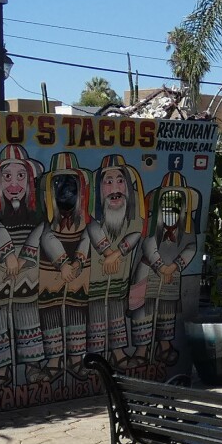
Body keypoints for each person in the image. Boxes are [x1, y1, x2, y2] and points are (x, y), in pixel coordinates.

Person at [0, 145, 48, 386]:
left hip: (27, 270)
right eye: (6, 177)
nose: (14, 184)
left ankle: (32, 366)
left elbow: (40, 230)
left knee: (28, 316)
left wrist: (23, 257)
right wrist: (8, 254)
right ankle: (0, 371)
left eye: (21, 176)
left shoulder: (37, 208)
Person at [83, 154, 147, 364]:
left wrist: (117, 253)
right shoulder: (93, 217)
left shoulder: (133, 215)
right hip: (95, 281)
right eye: (108, 182)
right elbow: (93, 230)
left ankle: (118, 355)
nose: (115, 189)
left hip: (120, 279)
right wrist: (108, 253)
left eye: (120, 181)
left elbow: (137, 232)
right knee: (97, 320)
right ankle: (96, 359)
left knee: (117, 317)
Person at [35, 152, 91, 386]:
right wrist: (62, 262)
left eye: (71, 184)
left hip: (77, 274)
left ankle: (77, 359)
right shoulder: (46, 217)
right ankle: (54, 361)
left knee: (77, 313)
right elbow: (47, 237)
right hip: (51, 273)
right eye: (59, 184)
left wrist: (77, 262)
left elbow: (87, 237)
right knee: (51, 317)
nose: (66, 191)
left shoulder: (84, 218)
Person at [133, 165, 200, 363]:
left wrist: (174, 266)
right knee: (142, 311)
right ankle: (141, 350)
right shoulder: (153, 222)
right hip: (148, 271)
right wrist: (161, 266)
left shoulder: (187, 225)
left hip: (172, 274)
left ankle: (164, 346)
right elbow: (148, 243)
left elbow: (191, 247)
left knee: (167, 311)